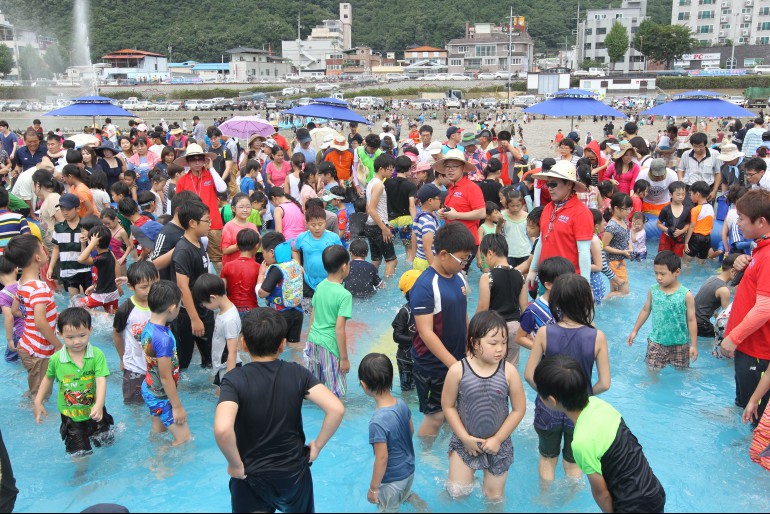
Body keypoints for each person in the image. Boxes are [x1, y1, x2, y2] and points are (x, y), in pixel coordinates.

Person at [213, 307, 345, 514]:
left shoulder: (234, 380)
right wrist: (317, 446)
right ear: (282, 344)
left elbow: (222, 429)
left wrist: (235, 464)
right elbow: (336, 409)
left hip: (250, 474)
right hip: (293, 474)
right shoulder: (298, 373)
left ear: (243, 344)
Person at [533, 356, 666, 512]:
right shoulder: (602, 406)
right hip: (653, 490)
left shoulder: (581, 443)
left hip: (632, 506)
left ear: (551, 400)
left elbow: (601, 493)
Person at [524, 273, 611, 482]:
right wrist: (581, 394)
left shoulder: (544, 333)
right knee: (573, 464)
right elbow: (605, 383)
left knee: (547, 458)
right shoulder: (597, 336)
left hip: (548, 407)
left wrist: (550, 395)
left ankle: (545, 502)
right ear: (586, 302)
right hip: (579, 410)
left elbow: (528, 375)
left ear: (557, 302)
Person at [442, 311, 526, 500]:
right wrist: (465, 438)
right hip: (464, 442)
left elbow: (519, 409)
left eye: (503, 343)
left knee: (494, 498)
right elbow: (448, 406)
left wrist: (498, 439)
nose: (500, 349)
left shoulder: (509, 372)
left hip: (499, 444)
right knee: (457, 492)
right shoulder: (458, 370)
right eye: (493, 343)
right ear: (474, 342)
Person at [411, 223, 475, 438]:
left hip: (457, 360)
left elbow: (463, 312)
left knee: (453, 410)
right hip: (432, 366)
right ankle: (426, 455)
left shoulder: (458, 277)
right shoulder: (425, 285)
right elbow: (426, 333)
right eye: (462, 259)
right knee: (436, 415)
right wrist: (454, 365)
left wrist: (469, 347)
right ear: (444, 254)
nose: (465, 264)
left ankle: (450, 448)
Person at [33, 307, 113, 455]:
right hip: (71, 417)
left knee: (107, 442)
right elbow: (48, 378)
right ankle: (82, 475)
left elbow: (101, 379)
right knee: (79, 453)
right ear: (60, 335)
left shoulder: (96, 355)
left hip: (95, 411)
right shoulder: (56, 359)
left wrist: (99, 404)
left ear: (91, 330)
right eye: (70, 337)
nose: (77, 341)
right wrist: (38, 401)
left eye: (82, 335)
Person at [720, 190, 770, 420]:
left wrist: (733, 337)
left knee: (756, 418)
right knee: (744, 406)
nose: (737, 223)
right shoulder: (760, 248)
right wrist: (744, 261)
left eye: (741, 218)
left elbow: (764, 308)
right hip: (749, 347)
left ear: (761, 222)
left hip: (757, 350)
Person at [359, 353, 417, 512]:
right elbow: (410, 430)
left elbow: (382, 457)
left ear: (364, 385)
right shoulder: (401, 404)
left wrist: (373, 488)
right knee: (404, 495)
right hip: (409, 470)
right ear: (391, 379)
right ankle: (418, 503)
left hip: (391, 481)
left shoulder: (377, 421)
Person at [5, 235, 60, 397]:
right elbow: (40, 322)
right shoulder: (39, 288)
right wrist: (58, 345)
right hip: (40, 349)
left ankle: (30, 396)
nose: (45, 250)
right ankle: (37, 411)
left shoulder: (22, 283)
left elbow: (15, 310)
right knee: (43, 390)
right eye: (42, 247)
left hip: (26, 344)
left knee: (34, 381)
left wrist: (38, 314)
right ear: (37, 257)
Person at [627, 250, 698, 369]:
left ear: (677, 272)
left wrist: (694, 345)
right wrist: (635, 331)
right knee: (652, 370)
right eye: (656, 273)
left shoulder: (686, 295)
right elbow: (645, 310)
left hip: (680, 343)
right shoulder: (653, 290)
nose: (658, 277)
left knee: (682, 371)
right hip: (657, 341)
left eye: (663, 274)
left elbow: (691, 320)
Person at [527, 161, 594, 287]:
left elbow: (584, 251)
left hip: (567, 282)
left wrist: (586, 284)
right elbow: (541, 240)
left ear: (569, 184)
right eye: (548, 184)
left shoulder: (581, 213)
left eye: (553, 184)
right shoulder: (547, 208)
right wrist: (533, 269)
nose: (549, 188)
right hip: (545, 277)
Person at [141, 280, 190, 446]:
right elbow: (165, 377)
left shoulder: (148, 327)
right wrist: (177, 407)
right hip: (161, 396)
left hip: (150, 389)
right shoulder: (163, 339)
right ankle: (163, 467)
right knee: (184, 439)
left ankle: (157, 465)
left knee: (158, 433)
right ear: (171, 308)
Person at [171, 200, 215, 370]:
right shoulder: (183, 250)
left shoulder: (199, 243)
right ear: (192, 223)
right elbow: (182, 287)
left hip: (205, 309)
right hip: (188, 315)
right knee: (183, 363)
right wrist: (194, 319)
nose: (210, 224)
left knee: (210, 359)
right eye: (207, 220)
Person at [304, 245, 352, 398]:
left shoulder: (320, 286)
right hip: (330, 346)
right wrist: (344, 358)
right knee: (336, 394)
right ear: (344, 266)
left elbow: (313, 316)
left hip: (313, 342)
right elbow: (339, 329)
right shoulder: (344, 295)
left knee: (314, 388)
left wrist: (308, 341)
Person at [173, 144, 228, 273]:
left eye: (200, 159)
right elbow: (177, 205)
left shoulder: (211, 175)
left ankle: (223, 288)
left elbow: (222, 188)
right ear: (188, 162)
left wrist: (212, 168)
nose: (197, 162)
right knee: (195, 261)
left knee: (218, 261)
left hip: (213, 224)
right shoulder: (182, 181)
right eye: (193, 159)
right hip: (191, 226)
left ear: (205, 160)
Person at [476, 233, 528, 366]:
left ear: (490, 253)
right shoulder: (520, 276)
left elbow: (483, 308)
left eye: (484, 256)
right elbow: (524, 308)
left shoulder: (488, 277)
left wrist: (474, 329)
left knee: (490, 367)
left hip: (494, 328)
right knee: (510, 368)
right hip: (515, 328)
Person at [113, 261, 159, 405]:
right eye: (144, 287)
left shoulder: (159, 303)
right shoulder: (125, 309)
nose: (149, 290)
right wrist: (122, 359)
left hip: (156, 365)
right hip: (134, 366)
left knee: (156, 400)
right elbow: (117, 335)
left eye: (153, 285)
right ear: (131, 287)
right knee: (134, 403)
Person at [435, 149, 486, 271]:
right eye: (447, 167)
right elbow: (454, 211)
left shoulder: (471, 188)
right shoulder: (450, 187)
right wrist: (444, 214)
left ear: (463, 168)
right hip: (453, 240)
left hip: (466, 241)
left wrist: (456, 215)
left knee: (458, 275)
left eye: (454, 166)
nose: (450, 170)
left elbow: (482, 213)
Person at [515, 256, 575, 352]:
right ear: (548, 285)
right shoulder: (533, 310)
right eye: (566, 281)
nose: (571, 284)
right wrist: (542, 348)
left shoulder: (571, 303)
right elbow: (520, 337)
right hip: (548, 361)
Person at [193, 274, 242, 389]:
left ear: (213, 298)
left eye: (204, 303)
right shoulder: (222, 311)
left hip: (228, 367)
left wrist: (229, 381)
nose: (204, 306)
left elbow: (233, 351)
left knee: (224, 398)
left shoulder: (229, 319)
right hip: (221, 366)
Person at [258, 232, 304, 346]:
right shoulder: (294, 263)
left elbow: (262, 293)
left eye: (263, 252)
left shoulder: (276, 269)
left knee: (276, 347)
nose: (262, 256)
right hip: (298, 311)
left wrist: (260, 275)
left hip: (281, 316)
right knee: (293, 345)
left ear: (272, 252)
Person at [49, 193, 92, 297]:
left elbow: (96, 247)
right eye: (62, 209)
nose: (64, 213)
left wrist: (89, 239)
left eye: (67, 209)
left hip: (85, 269)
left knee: (87, 301)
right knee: (75, 301)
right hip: (67, 270)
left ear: (77, 209)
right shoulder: (59, 228)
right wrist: (50, 267)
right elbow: (56, 247)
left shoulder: (86, 226)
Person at [365, 153, 398, 277]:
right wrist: (384, 228)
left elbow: (368, 209)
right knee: (392, 261)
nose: (392, 172)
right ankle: (388, 291)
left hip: (370, 225)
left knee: (376, 260)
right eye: (390, 169)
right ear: (381, 169)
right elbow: (372, 210)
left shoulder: (371, 183)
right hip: (379, 226)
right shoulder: (379, 185)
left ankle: (370, 282)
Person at [76, 226, 120, 313]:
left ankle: (100, 314)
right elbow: (106, 277)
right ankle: (106, 315)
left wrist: (92, 244)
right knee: (112, 317)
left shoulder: (101, 259)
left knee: (77, 305)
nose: (89, 243)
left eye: (90, 240)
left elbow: (80, 259)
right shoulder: (109, 254)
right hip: (113, 294)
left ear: (96, 244)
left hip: (102, 296)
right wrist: (94, 286)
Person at [694, 253, 736, 338]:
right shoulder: (724, 290)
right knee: (721, 341)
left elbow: (711, 309)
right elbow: (726, 318)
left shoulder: (712, 278)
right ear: (733, 271)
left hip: (690, 319)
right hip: (701, 325)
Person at [385, 155, 417, 263]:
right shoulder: (410, 185)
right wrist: (416, 222)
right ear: (409, 169)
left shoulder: (387, 183)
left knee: (389, 251)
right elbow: (411, 206)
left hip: (390, 220)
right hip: (406, 220)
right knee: (409, 249)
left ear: (395, 168)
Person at [392, 270, 420, 393]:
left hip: (420, 358)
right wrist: (416, 340)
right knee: (407, 391)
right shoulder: (405, 312)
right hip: (405, 360)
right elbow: (396, 336)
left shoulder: (428, 309)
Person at [221, 228, 260, 317]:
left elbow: (222, 289)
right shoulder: (258, 267)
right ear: (257, 246)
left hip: (232, 308)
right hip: (251, 309)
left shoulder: (227, 266)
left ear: (237, 245)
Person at [602, 193, 633, 299]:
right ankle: (602, 300)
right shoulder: (612, 226)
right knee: (624, 292)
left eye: (630, 209)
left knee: (616, 290)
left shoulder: (623, 220)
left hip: (620, 261)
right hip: (614, 262)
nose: (629, 212)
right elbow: (604, 246)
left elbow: (627, 237)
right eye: (626, 209)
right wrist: (622, 252)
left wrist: (630, 248)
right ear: (616, 208)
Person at [677, 132, 722, 202]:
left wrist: (714, 191)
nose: (698, 149)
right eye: (695, 146)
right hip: (690, 189)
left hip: (708, 189)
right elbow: (680, 169)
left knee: (706, 211)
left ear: (705, 144)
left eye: (701, 146)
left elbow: (718, 173)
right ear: (692, 145)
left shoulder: (715, 154)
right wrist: (681, 181)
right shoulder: (686, 154)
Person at [683, 181, 715, 265]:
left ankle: (686, 277)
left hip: (696, 237)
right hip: (707, 238)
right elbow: (712, 225)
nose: (690, 196)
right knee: (701, 263)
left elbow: (692, 227)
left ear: (697, 194)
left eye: (691, 194)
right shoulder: (711, 207)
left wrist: (686, 242)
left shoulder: (695, 209)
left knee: (686, 262)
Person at [657, 181, 690, 257]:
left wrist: (682, 231)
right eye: (678, 194)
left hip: (679, 238)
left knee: (677, 259)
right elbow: (658, 223)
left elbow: (688, 224)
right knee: (663, 257)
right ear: (670, 194)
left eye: (683, 194)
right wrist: (667, 230)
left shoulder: (687, 209)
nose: (681, 197)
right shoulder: (666, 209)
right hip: (666, 237)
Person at [413, 184, 441, 271]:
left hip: (419, 259)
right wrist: (436, 270)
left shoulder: (419, 216)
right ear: (430, 201)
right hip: (427, 262)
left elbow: (413, 239)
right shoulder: (428, 221)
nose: (440, 201)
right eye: (439, 198)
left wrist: (414, 258)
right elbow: (427, 248)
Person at [0, 256, 22, 363]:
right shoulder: (25, 284)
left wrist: (9, 339)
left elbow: (9, 318)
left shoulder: (3, 295)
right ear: (16, 269)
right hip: (35, 330)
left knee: (10, 359)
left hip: (19, 333)